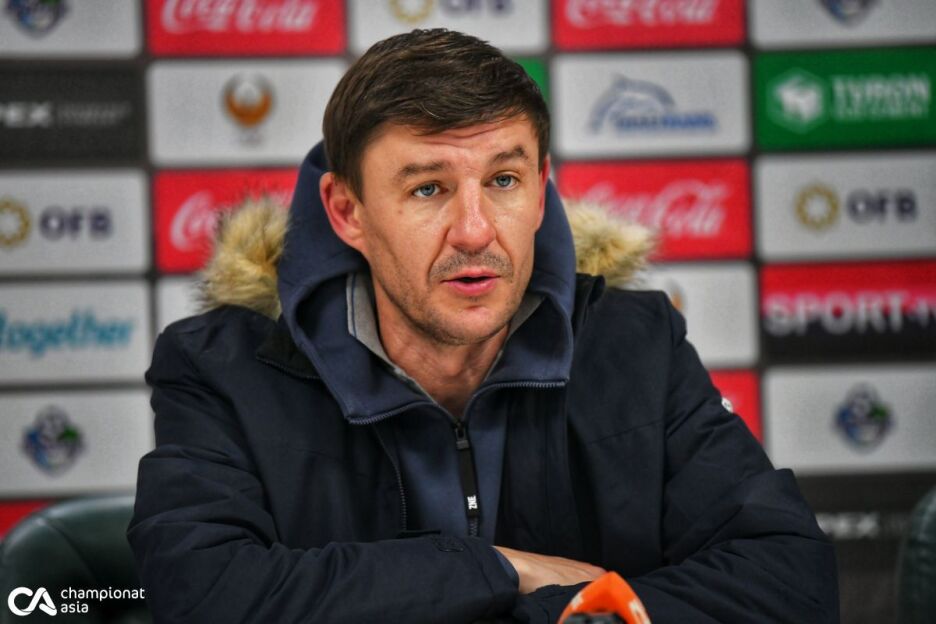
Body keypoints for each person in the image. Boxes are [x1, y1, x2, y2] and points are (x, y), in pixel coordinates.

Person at [129, 29, 839, 623]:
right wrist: (498, 569)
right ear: (347, 212)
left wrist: (549, 615)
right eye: (428, 188)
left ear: (541, 191)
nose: (474, 231)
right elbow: (199, 596)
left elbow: (791, 579)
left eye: (503, 180)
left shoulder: (635, 344)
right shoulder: (222, 368)